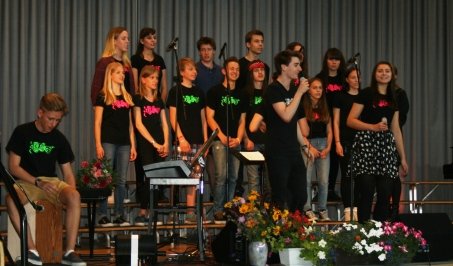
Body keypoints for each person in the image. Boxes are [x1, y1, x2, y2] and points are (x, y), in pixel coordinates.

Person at [5, 93, 86, 265]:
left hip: (51, 183)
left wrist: (71, 194)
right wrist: (36, 181)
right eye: (51, 119)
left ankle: (69, 252)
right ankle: (32, 251)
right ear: (39, 112)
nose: (54, 124)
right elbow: (13, 166)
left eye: (58, 120)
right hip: (27, 182)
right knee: (11, 200)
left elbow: (68, 173)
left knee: (74, 196)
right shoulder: (22, 132)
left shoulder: (59, 138)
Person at [347, 61, 408, 223]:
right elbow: (350, 120)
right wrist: (372, 127)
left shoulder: (395, 96)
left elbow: (396, 129)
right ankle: (363, 229)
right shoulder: (366, 93)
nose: (384, 73)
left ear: (392, 75)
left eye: (387, 71)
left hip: (386, 147)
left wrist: (402, 158)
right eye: (380, 71)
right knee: (366, 190)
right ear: (375, 74)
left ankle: (380, 231)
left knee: (385, 191)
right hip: (366, 144)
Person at [263, 50, 309, 211]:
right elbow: (286, 115)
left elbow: (294, 122)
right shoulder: (273, 90)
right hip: (277, 151)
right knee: (280, 196)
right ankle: (277, 233)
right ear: (284, 67)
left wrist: (303, 144)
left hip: (293, 150)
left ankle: (295, 229)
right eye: (296, 65)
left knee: (300, 194)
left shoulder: (292, 90)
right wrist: (300, 93)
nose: (300, 69)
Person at [94, 62, 137, 227]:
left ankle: (120, 214)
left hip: (124, 142)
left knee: (121, 179)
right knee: (105, 178)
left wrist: (133, 145)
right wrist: (98, 144)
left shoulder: (127, 97)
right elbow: (97, 122)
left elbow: (130, 124)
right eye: (118, 72)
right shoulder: (103, 96)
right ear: (110, 75)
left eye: (123, 73)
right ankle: (102, 214)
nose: (122, 75)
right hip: (108, 141)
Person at [167, 57, 208, 223]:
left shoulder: (199, 92)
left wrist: (206, 141)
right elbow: (172, 117)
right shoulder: (175, 91)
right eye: (190, 69)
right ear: (182, 72)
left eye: (195, 69)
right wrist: (181, 138)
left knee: (195, 176)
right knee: (178, 177)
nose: (194, 72)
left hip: (198, 141)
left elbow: (203, 118)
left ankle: (191, 211)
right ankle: (173, 211)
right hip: (182, 141)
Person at [206, 57, 247, 223]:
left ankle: (229, 208)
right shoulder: (214, 92)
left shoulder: (242, 94)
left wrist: (238, 138)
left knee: (233, 177)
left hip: (235, 141)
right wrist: (221, 136)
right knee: (221, 175)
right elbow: (210, 117)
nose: (235, 72)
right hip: (219, 140)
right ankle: (218, 210)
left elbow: (242, 120)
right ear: (224, 71)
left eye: (237, 69)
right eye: (231, 68)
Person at [133, 65, 170, 226]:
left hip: (160, 142)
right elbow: (138, 124)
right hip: (146, 143)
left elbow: (165, 123)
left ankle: (153, 213)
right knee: (148, 175)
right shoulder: (138, 99)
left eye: (157, 78)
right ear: (143, 79)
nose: (155, 81)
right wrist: (154, 143)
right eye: (152, 78)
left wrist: (166, 143)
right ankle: (143, 210)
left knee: (159, 176)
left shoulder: (159, 100)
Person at [236, 29, 270, 197]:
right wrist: (245, 136)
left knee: (269, 180)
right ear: (248, 44)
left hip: (265, 137)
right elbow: (243, 113)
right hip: (248, 134)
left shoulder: (266, 71)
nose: (260, 44)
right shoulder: (241, 66)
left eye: (262, 41)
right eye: (256, 41)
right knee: (252, 178)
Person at [193, 36, 224, 201]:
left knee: (216, 159)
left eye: (209, 49)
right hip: (199, 120)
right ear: (199, 52)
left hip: (217, 120)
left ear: (214, 51)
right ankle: (197, 199)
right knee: (201, 157)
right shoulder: (195, 70)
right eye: (203, 50)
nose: (206, 53)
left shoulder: (221, 71)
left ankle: (215, 195)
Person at [315, 47, 347, 202]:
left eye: (337, 59)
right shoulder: (320, 78)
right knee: (325, 156)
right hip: (324, 123)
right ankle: (324, 190)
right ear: (326, 61)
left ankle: (332, 188)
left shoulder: (345, 79)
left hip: (342, 123)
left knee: (337, 158)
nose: (334, 62)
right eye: (331, 59)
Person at [300, 77, 332, 221]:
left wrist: (328, 147)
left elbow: (330, 130)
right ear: (308, 90)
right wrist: (309, 147)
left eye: (320, 88)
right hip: (308, 144)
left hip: (323, 144)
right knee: (306, 179)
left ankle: (322, 209)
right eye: (315, 87)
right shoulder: (303, 106)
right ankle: (307, 209)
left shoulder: (325, 106)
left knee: (324, 180)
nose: (318, 90)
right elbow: (301, 131)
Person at [332, 66, 361, 221]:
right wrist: (337, 142)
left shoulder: (363, 96)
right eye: (353, 77)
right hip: (345, 140)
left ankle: (358, 208)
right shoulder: (340, 96)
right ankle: (348, 210)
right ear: (347, 79)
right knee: (347, 175)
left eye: (358, 77)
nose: (356, 80)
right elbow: (335, 121)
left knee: (361, 177)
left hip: (362, 141)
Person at [242, 60, 270, 197]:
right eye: (256, 70)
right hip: (252, 141)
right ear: (251, 74)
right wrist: (246, 138)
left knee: (269, 182)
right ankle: (254, 214)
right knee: (253, 181)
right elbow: (242, 120)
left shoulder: (270, 92)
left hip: (268, 141)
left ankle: (270, 213)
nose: (260, 72)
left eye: (262, 70)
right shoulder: (246, 94)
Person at [91, 27, 135, 106]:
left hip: (126, 107)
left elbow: (131, 89)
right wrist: (97, 108)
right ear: (114, 41)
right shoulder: (104, 62)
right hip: (110, 108)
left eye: (128, 39)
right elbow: (96, 88)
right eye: (123, 39)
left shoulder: (127, 64)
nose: (127, 41)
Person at [389, 65, 410, 219]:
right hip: (375, 135)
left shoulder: (400, 93)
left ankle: (395, 205)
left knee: (393, 174)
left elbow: (402, 115)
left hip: (393, 134)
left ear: (394, 76)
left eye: (389, 72)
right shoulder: (373, 93)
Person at [131, 27, 168, 102]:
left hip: (157, 100)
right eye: (149, 38)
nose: (153, 40)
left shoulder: (159, 60)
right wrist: (141, 103)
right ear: (142, 41)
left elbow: (164, 87)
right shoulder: (135, 59)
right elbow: (135, 86)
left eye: (154, 38)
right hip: (142, 101)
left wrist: (161, 104)